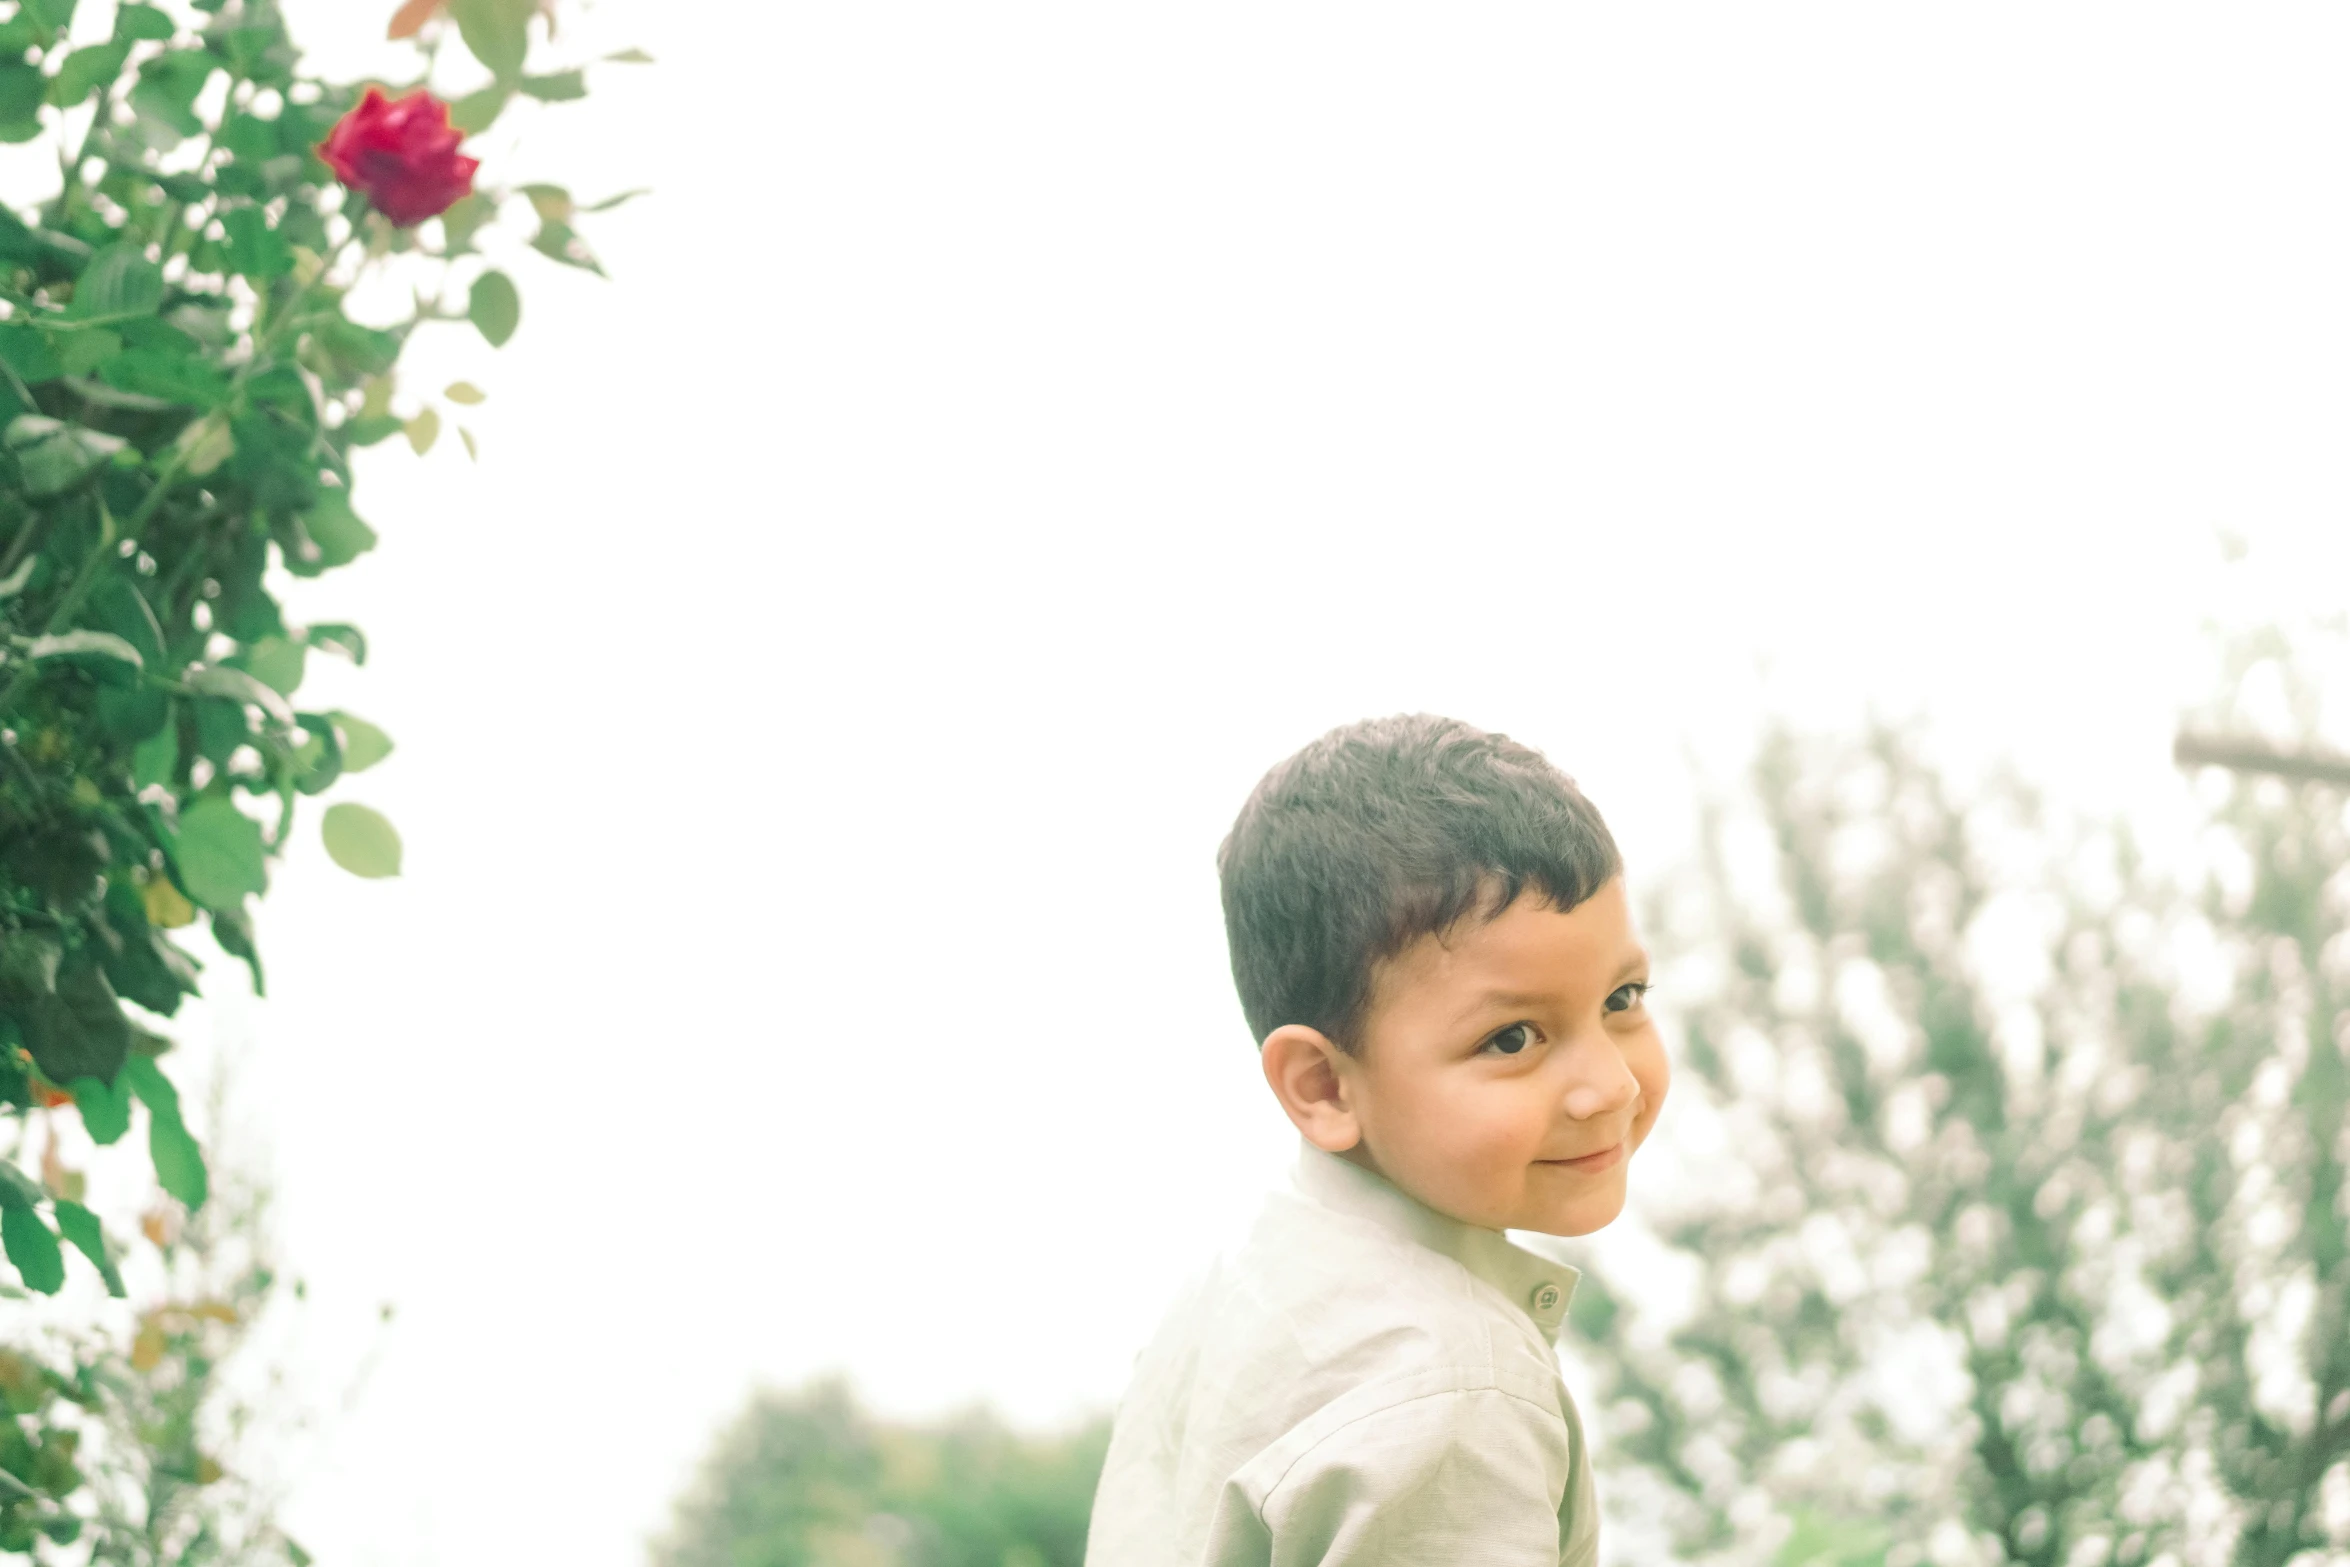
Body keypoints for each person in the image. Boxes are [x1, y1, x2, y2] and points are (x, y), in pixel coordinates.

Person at [1085, 714, 1669, 1566]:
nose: (1611, 1085)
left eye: (1623, 998)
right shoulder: (1456, 1394)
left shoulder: (1247, 1279)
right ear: (1323, 1086)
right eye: (1512, 1038)